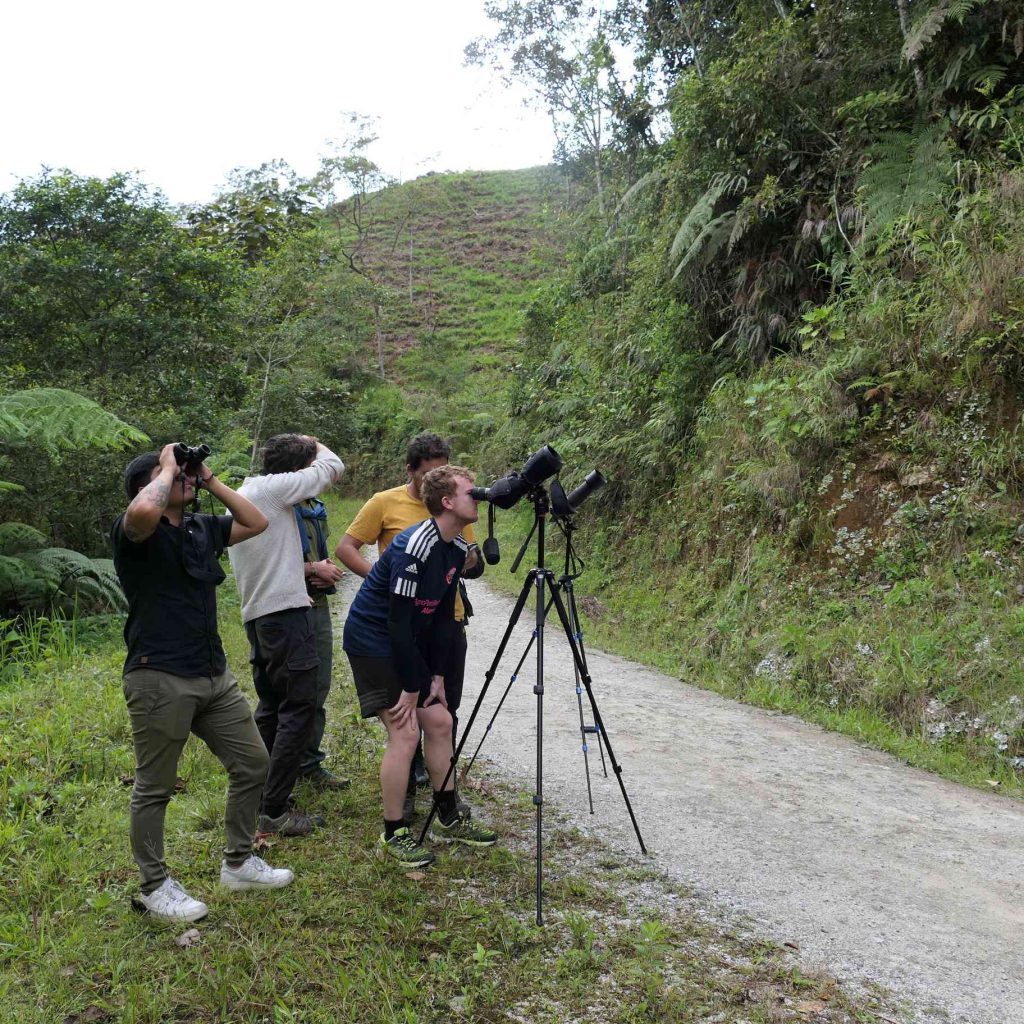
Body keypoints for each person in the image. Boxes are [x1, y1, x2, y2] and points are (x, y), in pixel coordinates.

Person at [112, 443, 294, 923]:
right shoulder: (134, 531)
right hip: (159, 675)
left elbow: (257, 522)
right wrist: (167, 466)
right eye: (171, 475)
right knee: (155, 787)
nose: (183, 479)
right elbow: (143, 512)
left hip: (212, 674)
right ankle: (154, 887)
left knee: (254, 763)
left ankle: (238, 862)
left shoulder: (199, 527)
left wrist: (208, 479)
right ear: (146, 485)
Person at [342, 465, 498, 867]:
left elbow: (444, 616)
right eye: (470, 492)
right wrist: (413, 685)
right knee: (405, 729)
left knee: (441, 721)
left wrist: (439, 675)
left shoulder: (458, 547)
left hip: (410, 637)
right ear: (447, 502)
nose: (477, 497)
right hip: (373, 639)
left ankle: (447, 815)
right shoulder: (416, 545)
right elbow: (397, 623)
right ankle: (394, 831)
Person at [227, 434, 345, 836]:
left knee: (273, 709)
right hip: (286, 615)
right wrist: (317, 444)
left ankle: (261, 798)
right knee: (298, 709)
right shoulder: (274, 489)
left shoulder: (247, 492)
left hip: (259, 618)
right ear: (297, 470)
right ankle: (274, 810)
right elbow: (332, 468)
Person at [294, 495, 348, 789]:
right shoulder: (273, 503)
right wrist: (314, 568)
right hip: (287, 610)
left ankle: (308, 764)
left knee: (317, 686)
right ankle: (281, 770)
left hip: (317, 604)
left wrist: (322, 570)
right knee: (291, 692)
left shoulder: (314, 507)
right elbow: (267, 563)